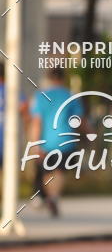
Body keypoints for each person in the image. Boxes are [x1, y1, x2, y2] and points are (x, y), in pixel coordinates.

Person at [29, 68, 84, 216]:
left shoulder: (41, 97)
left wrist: (35, 143)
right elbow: (78, 121)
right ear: (63, 78)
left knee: (47, 171)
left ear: (48, 79)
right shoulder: (71, 96)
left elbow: (36, 122)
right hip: (66, 140)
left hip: (46, 141)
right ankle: (53, 197)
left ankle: (47, 197)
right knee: (59, 171)